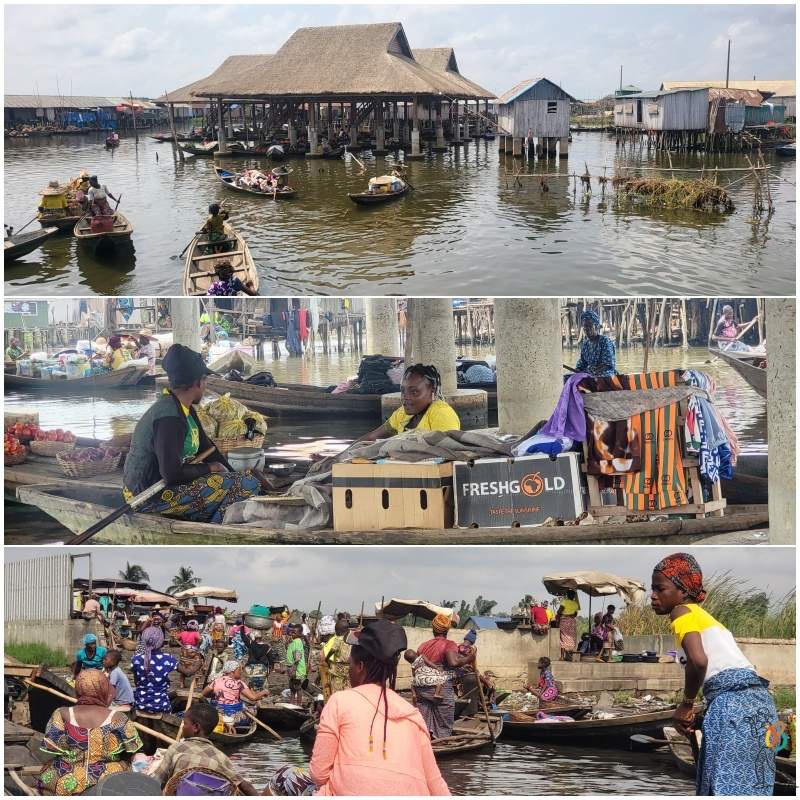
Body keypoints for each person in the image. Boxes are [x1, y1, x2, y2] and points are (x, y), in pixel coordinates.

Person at [268, 619, 450, 796]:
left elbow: (318, 774)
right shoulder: (413, 714)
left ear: (360, 666)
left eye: (351, 664)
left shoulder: (339, 702)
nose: (349, 669)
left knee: (283, 775)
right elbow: (435, 783)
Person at [650, 553, 777, 796]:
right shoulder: (706, 619)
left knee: (723, 789)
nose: (653, 596)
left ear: (683, 591)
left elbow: (698, 662)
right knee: (756, 788)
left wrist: (686, 705)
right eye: (652, 589)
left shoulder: (681, 611)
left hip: (733, 707)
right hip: (762, 707)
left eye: (660, 588)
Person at [122, 344, 260, 523]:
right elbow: (171, 474)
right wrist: (212, 468)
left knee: (242, 481)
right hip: (148, 496)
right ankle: (216, 529)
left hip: (166, 485)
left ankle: (212, 516)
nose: (205, 386)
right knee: (249, 485)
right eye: (205, 381)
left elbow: (209, 449)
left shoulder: (185, 409)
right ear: (198, 382)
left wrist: (233, 475)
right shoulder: (169, 417)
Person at [38, 670, 142, 795]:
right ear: (104, 690)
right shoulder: (119, 717)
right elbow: (133, 750)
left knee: (50, 768)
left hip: (65, 779)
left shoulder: (62, 713)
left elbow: (53, 746)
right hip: (108, 780)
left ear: (78, 689)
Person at [150, 701, 258, 795]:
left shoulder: (176, 748)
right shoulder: (221, 757)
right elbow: (246, 786)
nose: (182, 727)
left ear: (196, 727)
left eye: (185, 723)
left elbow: (157, 781)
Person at [404, 613, 474, 739]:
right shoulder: (449, 644)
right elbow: (454, 663)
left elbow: (418, 668)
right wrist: (471, 657)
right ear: (447, 629)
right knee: (443, 724)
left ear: (433, 628)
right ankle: (441, 745)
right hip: (440, 688)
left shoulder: (422, 646)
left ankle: (425, 746)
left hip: (422, 688)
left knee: (424, 722)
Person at [360, 364, 461, 442]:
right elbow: (372, 437)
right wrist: (345, 456)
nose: (405, 397)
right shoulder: (402, 414)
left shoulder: (442, 414)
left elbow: (447, 452)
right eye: (403, 391)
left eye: (414, 392)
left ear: (432, 390)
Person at [201, 660, 267, 730]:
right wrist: (264, 692)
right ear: (232, 671)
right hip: (233, 717)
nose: (241, 672)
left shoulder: (216, 681)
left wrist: (215, 695)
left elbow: (203, 694)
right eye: (239, 670)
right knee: (253, 710)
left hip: (216, 715)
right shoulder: (239, 683)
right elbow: (253, 698)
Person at [131, 626, 177, 713]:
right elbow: (187, 672)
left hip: (140, 704)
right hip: (161, 706)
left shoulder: (136, 659)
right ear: (161, 642)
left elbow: (136, 682)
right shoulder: (168, 659)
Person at [575, 310, 617, 377]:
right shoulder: (585, 344)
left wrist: (593, 371)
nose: (586, 329)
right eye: (584, 326)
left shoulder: (604, 341)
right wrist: (578, 369)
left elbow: (608, 364)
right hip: (590, 375)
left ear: (597, 326)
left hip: (605, 374)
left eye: (589, 326)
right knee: (568, 377)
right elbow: (582, 363)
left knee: (601, 376)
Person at [323, 619, 352, 696]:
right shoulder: (351, 639)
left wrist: (327, 659)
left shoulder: (338, 639)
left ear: (338, 630)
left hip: (338, 667)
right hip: (349, 667)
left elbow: (333, 650)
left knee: (336, 687)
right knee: (348, 687)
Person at [177, 620, 204, 689]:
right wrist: (197, 646)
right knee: (199, 666)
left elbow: (176, 638)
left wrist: (182, 645)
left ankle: (181, 684)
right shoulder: (196, 633)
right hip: (193, 651)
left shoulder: (183, 633)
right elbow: (200, 639)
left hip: (184, 651)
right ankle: (194, 684)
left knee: (184, 666)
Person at [555, 590, 580, 660]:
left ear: (567, 595)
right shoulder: (576, 604)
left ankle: (562, 657)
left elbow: (559, 611)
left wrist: (563, 615)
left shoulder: (564, 602)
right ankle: (570, 657)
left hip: (564, 621)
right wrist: (571, 615)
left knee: (563, 637)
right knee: (571, 638)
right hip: (572, 622)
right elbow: (575, 614)